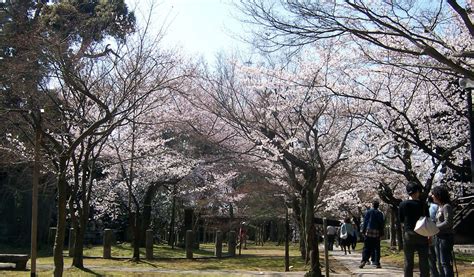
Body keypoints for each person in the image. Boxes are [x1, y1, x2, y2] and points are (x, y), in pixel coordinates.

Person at [399, 182, 429, 277]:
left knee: (408, 260)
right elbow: (427, 219)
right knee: (424, 260)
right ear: (417, 191)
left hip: (409, 233)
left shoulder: (403, 204)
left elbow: (401, 219)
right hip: (422, 233)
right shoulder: (423, 205)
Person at [432, 185, 454, 277]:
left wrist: (436, 227)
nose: (432, 196)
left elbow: (448, 222)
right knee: (440, 263)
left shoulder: (446, 207)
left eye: (433, 194)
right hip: (438, 237)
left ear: (438, 195)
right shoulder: (439, 207)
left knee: (445, 262)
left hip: (445, 238)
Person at [359, 200, 384, 269]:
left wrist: (363, 231)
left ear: (372, 205)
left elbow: (365, 222)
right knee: (376, 247)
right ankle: (377, 263)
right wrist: (382, 233)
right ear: (378, 206)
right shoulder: (380, 213)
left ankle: (364, 260)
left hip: (368, 231)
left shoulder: (368, 212)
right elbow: (381, 223)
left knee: (366, 247)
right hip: (376, 232)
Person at [428, 195, 440, 277]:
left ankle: (434, 273)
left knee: (431, 255)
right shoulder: (437, 207)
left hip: (429, 232)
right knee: (438, 255)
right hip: (437, 232)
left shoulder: (429, 207)